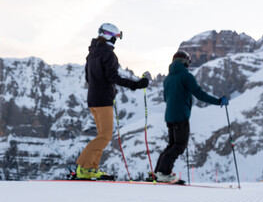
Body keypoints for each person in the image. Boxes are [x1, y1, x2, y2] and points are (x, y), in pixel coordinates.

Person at [76, 23, 149, 179]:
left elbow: (88, 78)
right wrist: (136, 84)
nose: (116, 41)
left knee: (102, 134)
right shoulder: (108, 54)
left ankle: (92, 169)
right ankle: (84, 167)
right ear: (109, 36)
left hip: (93, 100)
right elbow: (113, 77)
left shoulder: (92, 53)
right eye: (116, 37)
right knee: (105, 136)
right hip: (103, 101)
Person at [154, 50, 229, 182]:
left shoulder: (168, 79)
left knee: (171, 145)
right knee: (179, 146)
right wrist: (217, 101)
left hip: (170, 116)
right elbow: (199, 94)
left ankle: (158, 172)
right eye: (188, 61)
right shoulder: (186, 76)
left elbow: (166, 98)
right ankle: (163, 173)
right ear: (184, 61)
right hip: (181, 116)